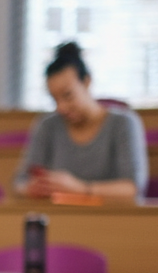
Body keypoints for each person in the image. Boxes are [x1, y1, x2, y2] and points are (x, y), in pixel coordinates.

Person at [14, 42, 148, 199]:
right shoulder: (48, 125)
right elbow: (20, 181)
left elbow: (132, 188)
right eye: (54, 99)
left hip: (110, 219)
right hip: (58, 217)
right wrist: (30, 187)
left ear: (87, 81)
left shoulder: (123, 123)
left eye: (67, 95)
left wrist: (81, 189)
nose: (61, 107)